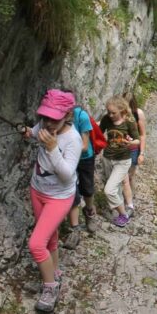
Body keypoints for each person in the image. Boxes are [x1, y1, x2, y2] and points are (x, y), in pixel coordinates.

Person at [22, 89, 81, 313]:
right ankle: (55, 273)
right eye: (45, 116)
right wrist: (28, 132)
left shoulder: (72, 139)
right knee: (50, 239)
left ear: (67, 115)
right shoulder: (45, 125)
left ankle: (50, 287)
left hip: (59, 197)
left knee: (36, 244)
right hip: (38, 189)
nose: (48, 122)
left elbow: (67, 174)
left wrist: (52, 149)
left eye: (54, 118)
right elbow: (35, 133)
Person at [100, 96, 139, 227]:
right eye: (108, 112)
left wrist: (130, 143)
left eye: (113, 113)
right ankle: (119, 209)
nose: (110, 115)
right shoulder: (106, 119)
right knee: (111, 185)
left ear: (122, 110)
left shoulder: (129, 121)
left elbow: (137, 140)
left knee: (109, 190)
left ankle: (124, 215)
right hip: (107, 158)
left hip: (123, 161)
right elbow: (99, 134)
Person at [64, 104, 98, 250]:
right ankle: (75, 228)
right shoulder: (59, 117)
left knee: (87, 189)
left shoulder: (81, 116)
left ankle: (89, 211)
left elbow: (84, 145)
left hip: (85, 157)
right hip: (69, 157)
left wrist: (66, 147)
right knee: (72, 190)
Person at [122, 92, 146, 217]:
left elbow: (142, 134)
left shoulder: (138, 114)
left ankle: (128, 203)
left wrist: (141, 153)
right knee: (122, 176)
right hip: (119, 150)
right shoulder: (118, 112)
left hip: (133, 150)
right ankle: (125, 202)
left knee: (129, 176)